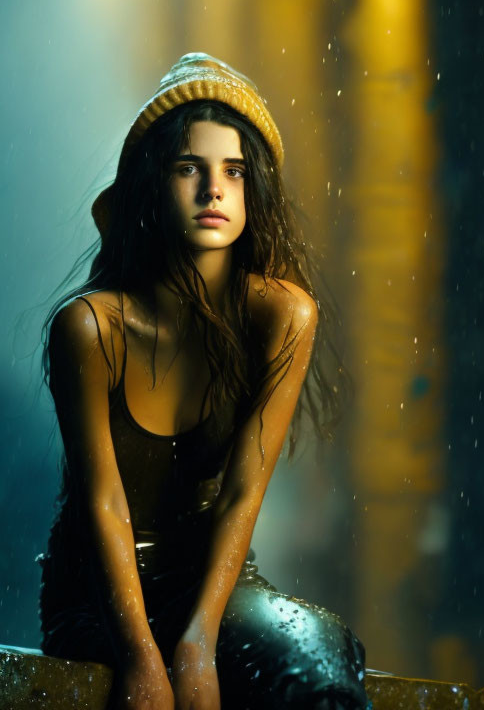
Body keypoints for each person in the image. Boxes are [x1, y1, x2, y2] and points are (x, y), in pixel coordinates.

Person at [37, 52, 371, 710]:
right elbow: (103, 503)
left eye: (234, 172)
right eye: (188, 167)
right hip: (98, 592)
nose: (212, 189)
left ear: (253, 191)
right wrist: (139, 655)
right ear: (148, 188)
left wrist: (197, 643)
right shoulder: (89, 328)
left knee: (323, 674)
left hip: (214, 587)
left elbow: (243, 493)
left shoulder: (284, 315)